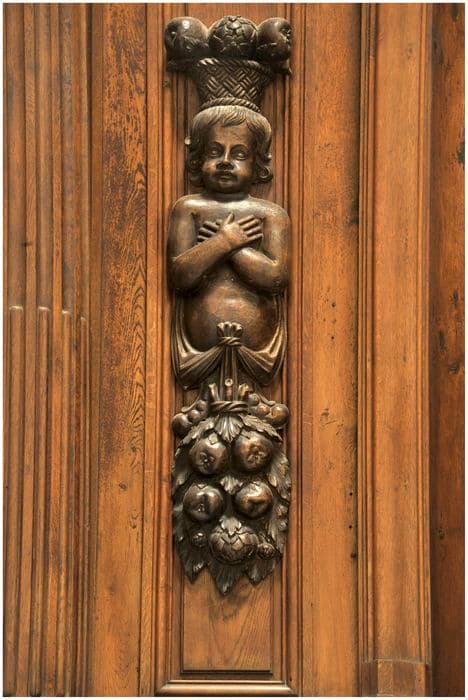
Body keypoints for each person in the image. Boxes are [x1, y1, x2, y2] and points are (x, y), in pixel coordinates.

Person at [167, 105, 290, 391]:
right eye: (214, 151)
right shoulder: (189, 209)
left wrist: (232, 247)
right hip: (197, 353)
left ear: (258, 163)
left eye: (239, 154)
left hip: (258, 353)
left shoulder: (271, 215)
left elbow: (275, 276)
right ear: (198, 158)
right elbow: (180, 276)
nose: (225, 161)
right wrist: (222, 242)